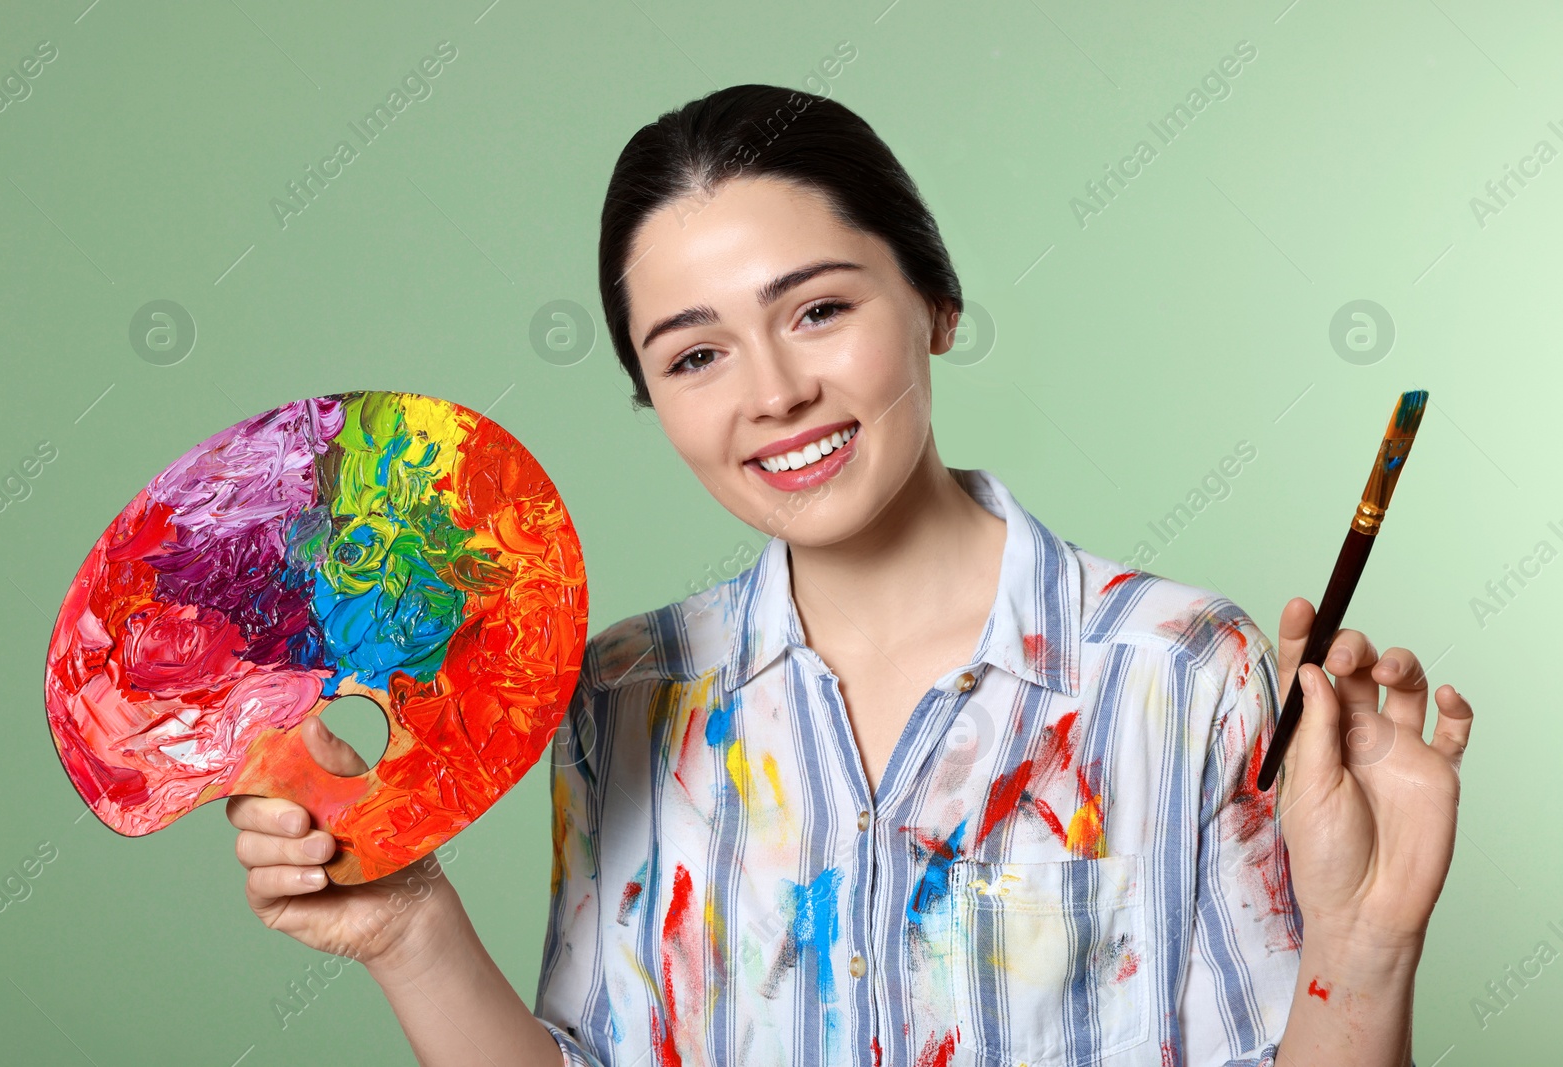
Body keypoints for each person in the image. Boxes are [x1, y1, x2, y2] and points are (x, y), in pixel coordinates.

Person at [226, 84, 1474, 1066]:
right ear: (653, 397)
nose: (772, 393)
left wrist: (1365, 948)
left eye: (817, 310)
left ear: (934, 298)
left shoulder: (1183, 671)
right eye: (695, 353)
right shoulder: (621, 696)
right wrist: (409, 926)